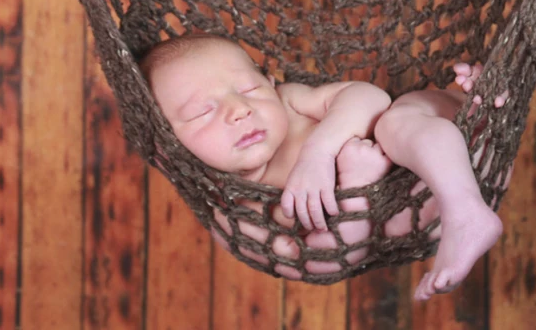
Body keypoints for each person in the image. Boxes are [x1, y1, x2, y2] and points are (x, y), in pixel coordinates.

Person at [142, 34, 509, 301]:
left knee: (395, 120)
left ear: (271, 84)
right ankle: (465, 195)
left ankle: (477, 113)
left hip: (444, 151)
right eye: (202, 112)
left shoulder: (289, 102)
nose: (239, 109)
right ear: (168, 148)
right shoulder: (233, 214)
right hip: (418, 212)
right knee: (394, 217)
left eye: (250, 89)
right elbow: (319, 262)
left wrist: (318, 153)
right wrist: (355, 190)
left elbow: (368, 96)